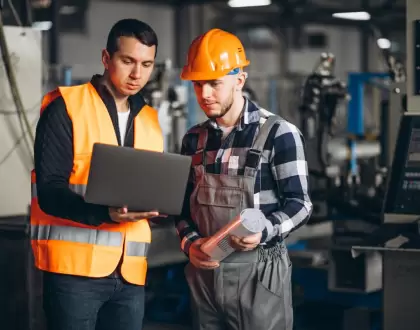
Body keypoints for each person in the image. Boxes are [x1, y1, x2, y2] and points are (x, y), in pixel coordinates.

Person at [175, 28, 313, 330]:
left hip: (259, 276)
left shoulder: (278, 133)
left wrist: (265, 229)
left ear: (239, 80)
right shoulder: (193, 139)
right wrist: (191, 244)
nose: (205, 94)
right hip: (204, 278)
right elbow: (182, 209)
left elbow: (300, 205)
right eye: (198, 84)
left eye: (214, 83)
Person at [31, 19, 163, 330]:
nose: (137, 74)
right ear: (106, 58)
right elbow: (50, 192)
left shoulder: (149, 119)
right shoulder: (66, 108)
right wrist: (104, 214)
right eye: (127, 61)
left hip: (130, 274)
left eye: (146, 64)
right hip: (73, 277)